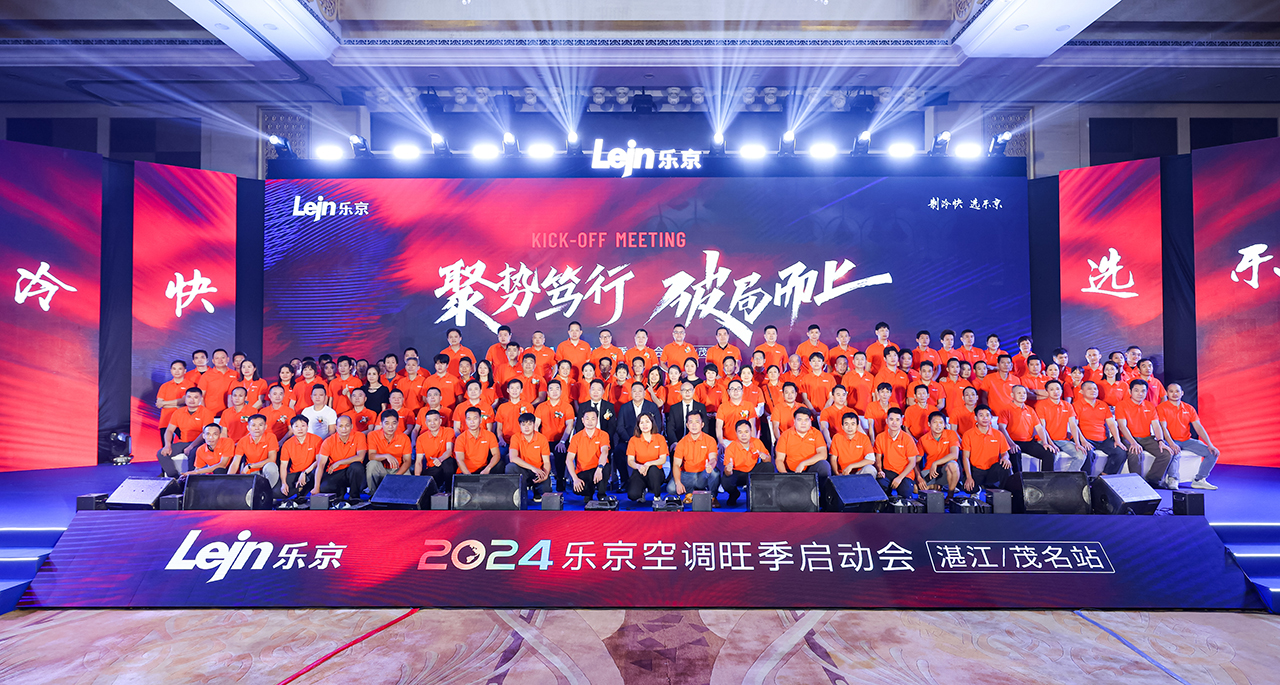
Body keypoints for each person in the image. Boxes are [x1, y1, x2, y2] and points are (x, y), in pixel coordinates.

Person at [1114, 379, 1176, 488]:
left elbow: (1156, 425)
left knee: (1166, 453)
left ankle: (1153, 481)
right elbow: (1122, 426)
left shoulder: (1149, 406)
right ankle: (1137, 483)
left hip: (1147, 438)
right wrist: (1133, 442)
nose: (1140, 393)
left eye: (1143, 391)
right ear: (1130, 391)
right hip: (1129, 438)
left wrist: (1161, 441)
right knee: (1135, 452)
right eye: (1136, 390)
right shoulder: (1121, 405)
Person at [1158, 383, 1221, 490]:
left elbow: (1198, 427)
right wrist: (1171, 443)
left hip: (1186, 440)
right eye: (1171, 391)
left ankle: (1199, 480)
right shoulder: (1161, 408)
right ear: (1167, 393)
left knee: (1213, 453)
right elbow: (1163, 428)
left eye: (1177, 391)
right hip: (1169, 439)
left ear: (1182, 393)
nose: (1174, 394)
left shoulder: (1189, 408)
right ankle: (1173, 479)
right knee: (1175, 452)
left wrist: (1210, 444)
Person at [158, 387, 215, 477]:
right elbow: (169, 430)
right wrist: (167, 445)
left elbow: (205, 433)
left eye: (195, 397)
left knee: (193, 452)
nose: (192, 400)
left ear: (201, 399)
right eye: (189, 397)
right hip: (183, 443)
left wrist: (191, 446)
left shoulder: (206, 413)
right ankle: (174, 478)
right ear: (185, 398)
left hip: (200, 444)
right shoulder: (178, 412)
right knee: (162, 453)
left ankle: (190, 478)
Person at [998, 385, 1056, 473]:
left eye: (1024, 393)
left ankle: (1045, 480)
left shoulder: (1030, 410)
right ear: (1012, 395)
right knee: (1015, 453)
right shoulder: (1006, 410)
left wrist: (1045, 442)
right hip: (1013, 442)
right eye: (1019, 393)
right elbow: (1002, 428)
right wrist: (1011, 444)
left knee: (1049, 454)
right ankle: (1018, 480)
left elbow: (1039, 427)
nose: (1022, 395)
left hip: (1028, 442)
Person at [1036, 380, 1089, 472]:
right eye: (1052, 389)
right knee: (1052, 455)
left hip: (1062, 441)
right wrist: (1051, 443)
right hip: (1045, 440)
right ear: (1047, 392)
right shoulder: (1041, 405)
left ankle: (1068, 478)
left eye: (1058, 389)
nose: (1055, 392)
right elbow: (1042, 427)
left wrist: (1077, 443)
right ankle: (1051, 479)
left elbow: (1073, 425)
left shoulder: (1067, 405)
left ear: (1061, 390)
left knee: (1081, 454)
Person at [667, 411, 721, 501]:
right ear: (687, 425)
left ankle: (713, 498)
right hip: (687, 475)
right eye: (691, 422)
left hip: (704, 474)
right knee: (671, 488)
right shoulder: (681, 443)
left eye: (697, 422)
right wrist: (678, 482)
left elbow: (713, 458)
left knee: (715, 473)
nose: (694, 425)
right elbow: (676, 464)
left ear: (702, 424)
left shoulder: (710, 440)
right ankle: (690, 493)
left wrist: (710, 466)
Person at [961, 405, 1013, 494]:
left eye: (987, 415)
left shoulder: (998, 434)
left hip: (992, 470)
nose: (985, 418)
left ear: (991, 417)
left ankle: (1005, 493)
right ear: (976, 418)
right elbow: (965, 457)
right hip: (976, 470)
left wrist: (1005, 458)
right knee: (968, 489)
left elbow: (1005, 452)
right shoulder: (968, 435)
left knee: (1006, 466)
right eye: (981, 415)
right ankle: (980, 488)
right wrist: (969, 477)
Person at [318, 414, 367, 507]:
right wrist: (316, 488)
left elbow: (360, 457)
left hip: (352, 472)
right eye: (340, 426)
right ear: (336, 427)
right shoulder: (328, 441)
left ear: (351, 426)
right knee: (324, 488)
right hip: (336, 472)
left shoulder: (359, 436)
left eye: (347, 425)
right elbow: (321, 465)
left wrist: (339, 462)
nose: (344, 429)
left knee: (357, 467)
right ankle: (340, 493)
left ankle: (354, 496)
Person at [535, 379, 576, 490]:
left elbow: (569, 425)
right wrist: (538, 441)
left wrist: (562, 441)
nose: (554, 391)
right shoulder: (541, 407)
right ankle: (540, 480)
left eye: (557, 389)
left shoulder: (567, 407)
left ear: (561, 391)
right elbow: (536, 425)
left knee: (560, 452)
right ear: (547, 392)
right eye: (551, 389)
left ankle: (560, 480)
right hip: (544, 440)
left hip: (561, 440)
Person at [506, 413, 553, 503]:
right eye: (523, 425)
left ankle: (536, 490)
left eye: (529, 424)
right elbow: (513, 458)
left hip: (538, 472)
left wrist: (545, 475)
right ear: (519, 426)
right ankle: (521, 493)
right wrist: (532, 468)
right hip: (523, 470)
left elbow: (546, 462)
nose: (526, 427)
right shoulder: (515, 437)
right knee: (510, 467)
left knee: (546, 492)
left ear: (534, 425)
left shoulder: (542, 438)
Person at [567, 407, 612, 501]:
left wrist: (599, 468)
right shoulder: (576, 437)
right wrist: (575, 479)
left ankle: (601, 495)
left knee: (606, 467)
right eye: (587, 419)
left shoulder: (603, 435)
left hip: (598, 467)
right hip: (583, 471)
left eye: (593, 419)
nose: (590, 422)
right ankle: (589, 493)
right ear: (582, 420)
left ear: (597, 420)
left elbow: (604, 452)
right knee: (578, 489)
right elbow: (569, 459)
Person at [723, 420, 771, 507]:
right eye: (740, 432)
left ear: (751, 432)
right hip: (738, 473)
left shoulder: (757, 442)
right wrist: (728, 470)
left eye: (746, 432)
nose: (743, 435)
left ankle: (762, 494)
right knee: (726, 480)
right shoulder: (731, 447)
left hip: (753, 471)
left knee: (768, 466)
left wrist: (765, 457)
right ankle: (734, 494)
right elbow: (727, 472)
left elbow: (769, 460)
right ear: (736, 433)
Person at [278, 415, 324, 504]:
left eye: (303, 425)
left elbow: (319, 461)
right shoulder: (287, 444)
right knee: (280, 491)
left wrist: (305, 472)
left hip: (311, 471)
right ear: (292, 428)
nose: (300, 429)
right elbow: (283, 466)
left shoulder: (317, 440)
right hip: (295, 473)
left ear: (307, 427)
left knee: (314, 476)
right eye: (296, 426)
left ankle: (303, 495)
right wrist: (283, 483)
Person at [874, 407, 919, 498]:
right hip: (888, 471)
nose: (894, 423)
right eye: (891, 419)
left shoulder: (908, 439)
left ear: (901, 422)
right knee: (880, 485)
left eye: (897, 420)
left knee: (906, 490)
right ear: (887, 421)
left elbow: (912, 462)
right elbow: (878, 457)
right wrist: (880, 470)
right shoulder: (880, 437)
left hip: (905, 473)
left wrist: (900, 478)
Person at [366, 410, 413, 495]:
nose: (390, 427)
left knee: (407, 478)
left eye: (394, 423)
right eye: (387, 423)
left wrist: (396, 476)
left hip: (398, 470)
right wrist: (386, 456)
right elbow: (371, 456)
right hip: (381, 469)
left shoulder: (404, 438)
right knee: (372, 464)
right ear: (381, 424)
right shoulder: (372, 435)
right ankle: (374, 495)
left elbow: (407, 461)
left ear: (398, 423)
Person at [625, 413, 669, 503]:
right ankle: (642, 491)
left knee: (653, 469)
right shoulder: (633, 440)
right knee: (633, 495)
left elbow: (663, 459)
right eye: (641, 422)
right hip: (640, 471)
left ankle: (657, 496)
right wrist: (638, 466)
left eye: (647, 422)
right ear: (638, 425)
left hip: (656, 472)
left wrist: (648, 464)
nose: (645, 425)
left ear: (652, 423)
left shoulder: (660, 438)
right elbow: (630, 461)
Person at [775, 407, 831, 478]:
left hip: (810, 469)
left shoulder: (816, 433)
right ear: (794, 421)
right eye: (799, 420)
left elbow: (823, 455)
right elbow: (779, 460)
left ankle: (822, 485)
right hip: (791, 472)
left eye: (806, 420)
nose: (803, 423)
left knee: (824, 465)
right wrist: (786, 476)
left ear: (810, 421)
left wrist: (803, 463)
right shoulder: (785, 435)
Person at [228, 414, 280, 488]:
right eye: (253, 425)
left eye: (260, 425)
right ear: (248, 427)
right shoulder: (243, 441)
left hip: (265, 471)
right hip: (251, 472)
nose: (257, 428)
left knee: (271, 467)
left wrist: (250, 466)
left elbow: (272, 459)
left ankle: (265, 490)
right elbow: (235, 462)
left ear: (265, 427)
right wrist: (227, 479)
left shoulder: (271, 437)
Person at [918, 412, 961, 495]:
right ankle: (937, 486)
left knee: (953, 465)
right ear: (929, 424)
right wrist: (919, 478)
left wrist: (935, 463)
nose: (938, 425)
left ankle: (950, 495)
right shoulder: (923, 439)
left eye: (941, 423)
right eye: (935, 422)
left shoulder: (951, 434)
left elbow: (955, 455)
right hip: (930, 471)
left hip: (945, 469)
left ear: (945, 425)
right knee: (916, 489)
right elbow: (915, 462)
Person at [415, 409, 457, 492]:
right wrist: (417, 478)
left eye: (435, 420)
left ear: (440, 421)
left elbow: (449, 450)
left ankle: (449, 491)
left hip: (446, 464)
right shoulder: (421, 438)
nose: (432, 423)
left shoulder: (449, 431)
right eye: (429, 421)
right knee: (424, 484)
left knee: (448, 462)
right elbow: (419, 461)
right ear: (426, 423)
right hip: (433, 468)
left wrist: (440, 459)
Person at [455, 406, 501, 476]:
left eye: (475, 418)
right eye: (469, 419)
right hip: (466, 472)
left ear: (480, 420)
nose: (472, 422)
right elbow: (459, 460)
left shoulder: (490, 435)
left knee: (500, 464)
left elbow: (496, 454)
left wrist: (488, 469)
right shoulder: (460, 438)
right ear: (466, 421)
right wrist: (469, 476)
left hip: (483, 470)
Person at [494, 379, 535, 455]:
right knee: (498, 454)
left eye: (517, 388)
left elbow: (532, 426)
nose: (514, 390)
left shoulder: (528, 406)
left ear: (521, 390)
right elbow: (499, 428)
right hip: (506, 442)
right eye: (512, 388)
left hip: (523, 441)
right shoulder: (502, 407)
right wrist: (501, 440)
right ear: (508, 390)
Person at [830, 412, 876, 476]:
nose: (850, 427)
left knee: (871, 469)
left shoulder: (864, 438)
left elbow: (871, 460)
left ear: (857, 426)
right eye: (846, 424)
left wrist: (851, 466)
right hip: (843, 473)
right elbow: (833, 459)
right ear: (842, 426)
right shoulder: (836, 437)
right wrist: (837, 474)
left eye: (853, 424)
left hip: (860, 473)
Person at [716, 379, 756, 449]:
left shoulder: (749, 405)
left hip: (745, 441)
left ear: (742, 391)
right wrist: (721, 443)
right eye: (732, 389)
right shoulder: (722, 407)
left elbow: (752, 425)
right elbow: (718, 426)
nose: (735, 391)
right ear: (728, 392)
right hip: (727, 441)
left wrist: (752, 442)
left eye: (738, 388)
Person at [665, 381, 708, 446]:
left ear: (693, 391)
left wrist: (702, 441)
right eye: (684, 390)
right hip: (679, 441)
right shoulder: (674, 408)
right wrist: (674, 442)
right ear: (680, 392)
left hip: (697, 441)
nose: (687, 392)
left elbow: (705, 426)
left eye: (689, 390)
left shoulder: (701, 407)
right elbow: (670, 428)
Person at [197, 349, 237, 416]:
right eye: (217, 358)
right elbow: (201, 396)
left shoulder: (236, 374)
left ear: (228, 359)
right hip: (212, 414)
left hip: (231, 414)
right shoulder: (206, 376)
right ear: (213, 361)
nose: (220, 360)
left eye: (223, 357)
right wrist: (204, 413)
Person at [155, 360, 192, 432]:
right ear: (171, 371)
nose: (177, 371)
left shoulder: (190, 385)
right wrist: (177, 406)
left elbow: (184, 401)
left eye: (180, 369)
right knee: (165, 439)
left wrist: (164, 403)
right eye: (174, 369)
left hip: (182, 421)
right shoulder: (164, 386)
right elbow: (159, 404)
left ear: (184, 371)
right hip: (165, 422)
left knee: (184, 439)